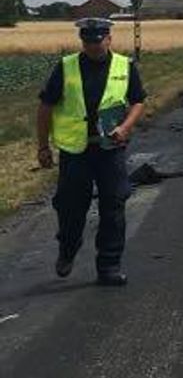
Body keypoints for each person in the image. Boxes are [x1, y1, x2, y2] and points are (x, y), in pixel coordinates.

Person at [36, 18, 147, 286]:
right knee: (70, 207)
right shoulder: (66, 67)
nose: (93, 47)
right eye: (87, 42)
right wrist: (42, 146)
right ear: (82, 41)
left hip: (110, 149)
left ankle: (109, 266)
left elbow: (138, 101)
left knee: (114, 205)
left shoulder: (125, 65)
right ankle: (68, 249)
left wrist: (125, 127)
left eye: (98, 42)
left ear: (109, 39)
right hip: (75, 150)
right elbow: (45, 106)